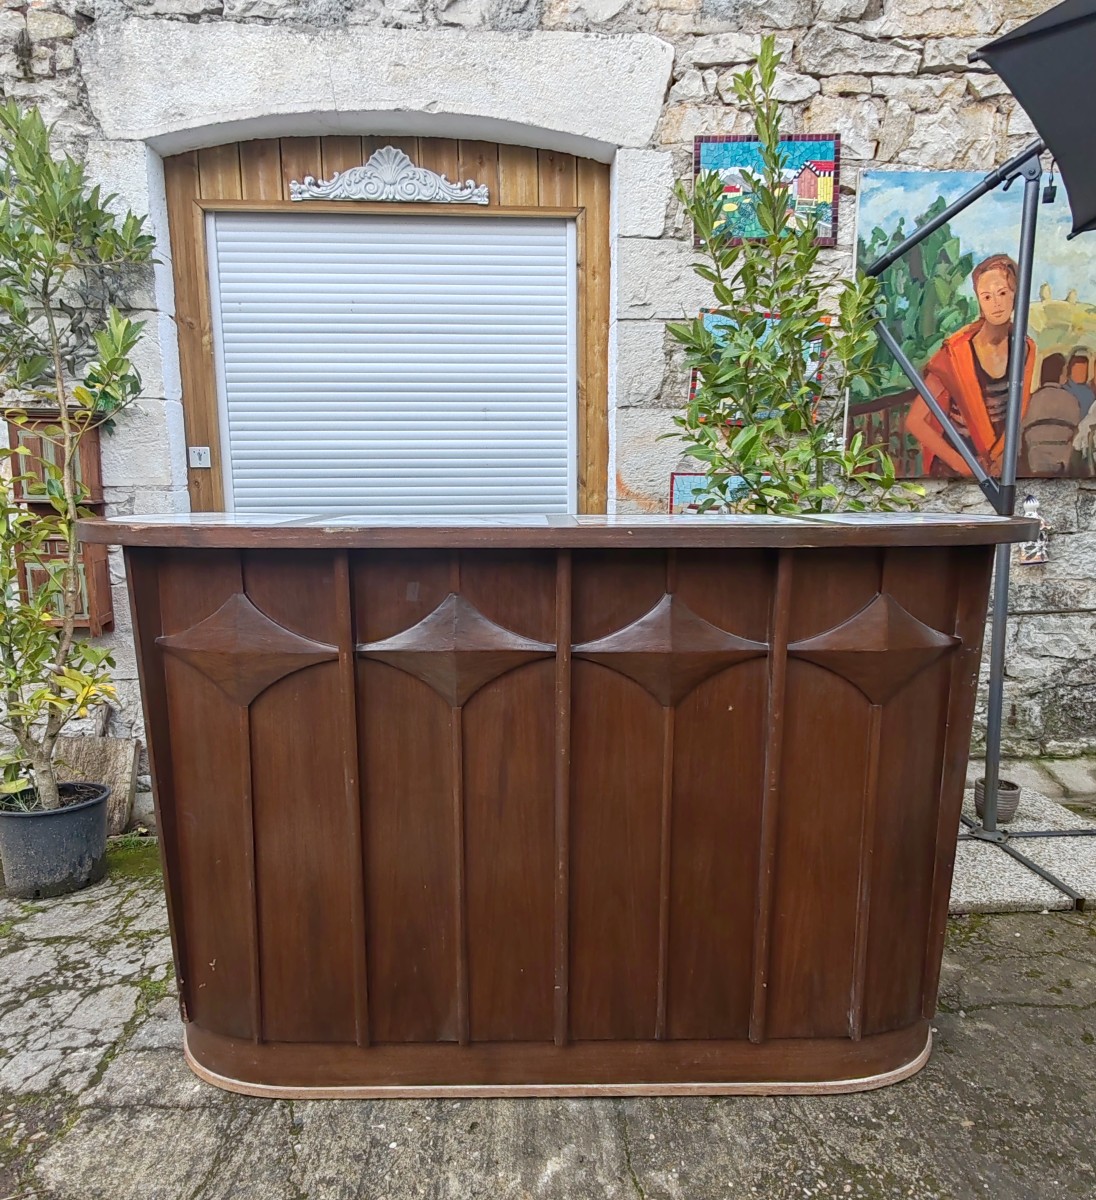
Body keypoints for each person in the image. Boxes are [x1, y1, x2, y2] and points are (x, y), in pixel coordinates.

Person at [904, 254, 1035, 477]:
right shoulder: (955, 353)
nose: (996, 303)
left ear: (1016, 295)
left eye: (1003, 293)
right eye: (987, 296)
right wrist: (963, 465)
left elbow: (1018, 412)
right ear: (979, 301)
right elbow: (915, 421)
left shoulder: (1026, 349)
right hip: (955, 469)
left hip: (1000, 467)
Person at [1020, 352, 1081, 476]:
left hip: (1033, 463)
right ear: (1060, 375)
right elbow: (1076, 430)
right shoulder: (1071, 400)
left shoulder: (1030, 401)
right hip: (1063, 464)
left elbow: (1021, 431)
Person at [1062, 348, 1095, 420]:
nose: (1081, 374)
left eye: (1083, 370)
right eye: (1078, 370)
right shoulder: (1063, 390)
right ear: (1070, 370)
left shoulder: (1090, 393)